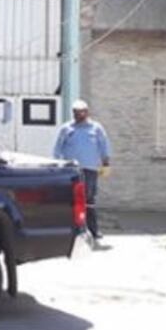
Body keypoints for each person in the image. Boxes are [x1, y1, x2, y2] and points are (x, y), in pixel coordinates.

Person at [53, 99, 111, 240]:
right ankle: (74, 229)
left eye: (81, 112)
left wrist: (106, 164)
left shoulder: (96, 128)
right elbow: (57, 148)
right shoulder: (66, 128)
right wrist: (57, 164)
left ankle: (93, 230)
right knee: (72, 198)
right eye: (76, 112)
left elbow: (104, 146)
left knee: (89, 199)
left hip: (90, 169)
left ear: (87, 112)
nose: (79, 115)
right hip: (71, 169)